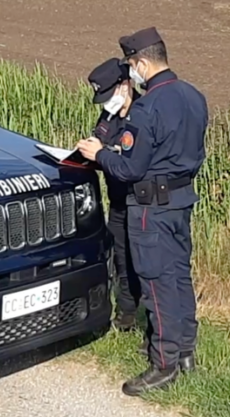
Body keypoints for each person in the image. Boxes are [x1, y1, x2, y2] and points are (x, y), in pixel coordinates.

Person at [76, 27, 208, 397]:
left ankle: (163, 364)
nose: (132, 72)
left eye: (132, 65)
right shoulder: (194, 96)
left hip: (150, 208)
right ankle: (185, 351)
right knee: (179, 277)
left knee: (156, 283)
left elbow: (129, 169)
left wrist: (99, 154)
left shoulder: (148, 108)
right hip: (181, 201)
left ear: (142, 64)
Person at [86, 57, 141, 332]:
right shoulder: (108, 116)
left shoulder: (142, 114)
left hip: (140, 202)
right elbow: (100, 143)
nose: (108, 102)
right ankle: (126, 314)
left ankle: (151, 321)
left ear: (125, 85)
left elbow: (132, 163)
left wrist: (103, 154)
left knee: (142, 260)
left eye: (110, 95)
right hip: (117, 201)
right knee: (121, 257)